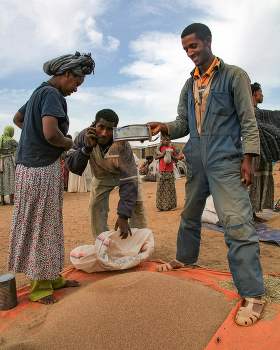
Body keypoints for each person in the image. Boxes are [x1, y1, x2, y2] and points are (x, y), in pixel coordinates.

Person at [148, 23, 265, 327]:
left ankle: (253, 294)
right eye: (185, 49)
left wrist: (249, 158)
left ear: (207, 41)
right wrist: (166, 127)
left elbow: (248, 120)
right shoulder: (189, 86)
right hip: (197, 157)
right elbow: (183, 123)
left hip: (226, 158)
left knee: (237, 223)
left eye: (194, 46)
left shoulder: (234, 75)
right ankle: (185, 258)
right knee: (189, 214)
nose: (190, 53)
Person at [7, 52, 95, 305]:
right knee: (41, 226)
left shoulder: (39, 92)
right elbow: (52, 134)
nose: (76, 89)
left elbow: (18, 119)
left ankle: (51, 275)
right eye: (76, 83)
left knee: (48, 223)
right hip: (40, 168)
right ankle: (39, 286)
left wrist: (34, 135)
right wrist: (71, 145)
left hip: (30, 167)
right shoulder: (53, 95)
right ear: (67, 74)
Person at [65, 109, 147, 239]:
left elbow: (129, 180)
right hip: (102, 176)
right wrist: (87, 148)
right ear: (94, 125)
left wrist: (123, 215)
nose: (104, 133)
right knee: (95, 208)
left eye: (109, 129)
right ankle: (102, 241)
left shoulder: (121, 143)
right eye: (101, 127)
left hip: (125, 176)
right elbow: (72, 165)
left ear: (115, 130)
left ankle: (139, 241)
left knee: (137, 207)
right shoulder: (83, 136)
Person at [248, 83, 274, 222]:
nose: (262, 95)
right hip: (254, 152)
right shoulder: (250, 112)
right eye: (260, 92)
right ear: (254, 94)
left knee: (260, 179)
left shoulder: (257, 111)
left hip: (263, 152)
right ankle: (249, 213)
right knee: (252, 180)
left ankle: (254, 212)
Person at [155, 133, 177, 211]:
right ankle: (160, 206)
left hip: (170, 170)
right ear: (161, 139)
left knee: (170, 188)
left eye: (167, 140)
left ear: (169, 140)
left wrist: (171, 155)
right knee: (161, 187)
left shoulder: (172, 148)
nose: (166, 141)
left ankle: (171, 206)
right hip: (161, 170)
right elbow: (156, 157)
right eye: (164, 140)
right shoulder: (159, 148)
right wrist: (163, 154)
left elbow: (176, 159)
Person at [0, 126, 18, 205]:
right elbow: (19, 145)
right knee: (11, 179)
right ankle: (11, 200)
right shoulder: (11, 141)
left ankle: (2, 201)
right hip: (10, 162)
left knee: (2, 180)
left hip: (1, 162)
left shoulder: (1, 140)